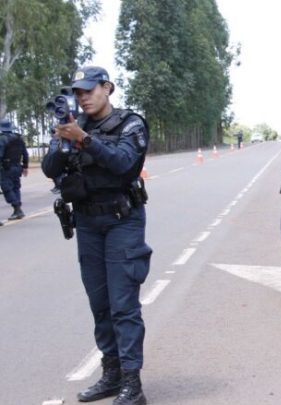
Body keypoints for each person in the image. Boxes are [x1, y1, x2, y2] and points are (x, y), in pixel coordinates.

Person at [42, 66, 151, 405]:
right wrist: (63, 142)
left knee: (123, 305)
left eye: (89, 90)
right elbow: (49, 170)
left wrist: (84, 139)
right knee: (100, 304)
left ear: (107, 88)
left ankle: (133, 385)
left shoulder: (130, 123)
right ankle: (111, 374)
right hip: (88, 224)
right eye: (78, 92)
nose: (83, 97)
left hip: (122, 220)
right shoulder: (73, 125)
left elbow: (124, 164)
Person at [0, 118, 29, 221]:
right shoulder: (18, 138)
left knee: (7, 188)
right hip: (17, 167)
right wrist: (25, 166)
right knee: (16, 187)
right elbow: (25, 154)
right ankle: (18, 209)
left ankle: (17, 209)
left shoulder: (2, 139)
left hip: (6, 168)